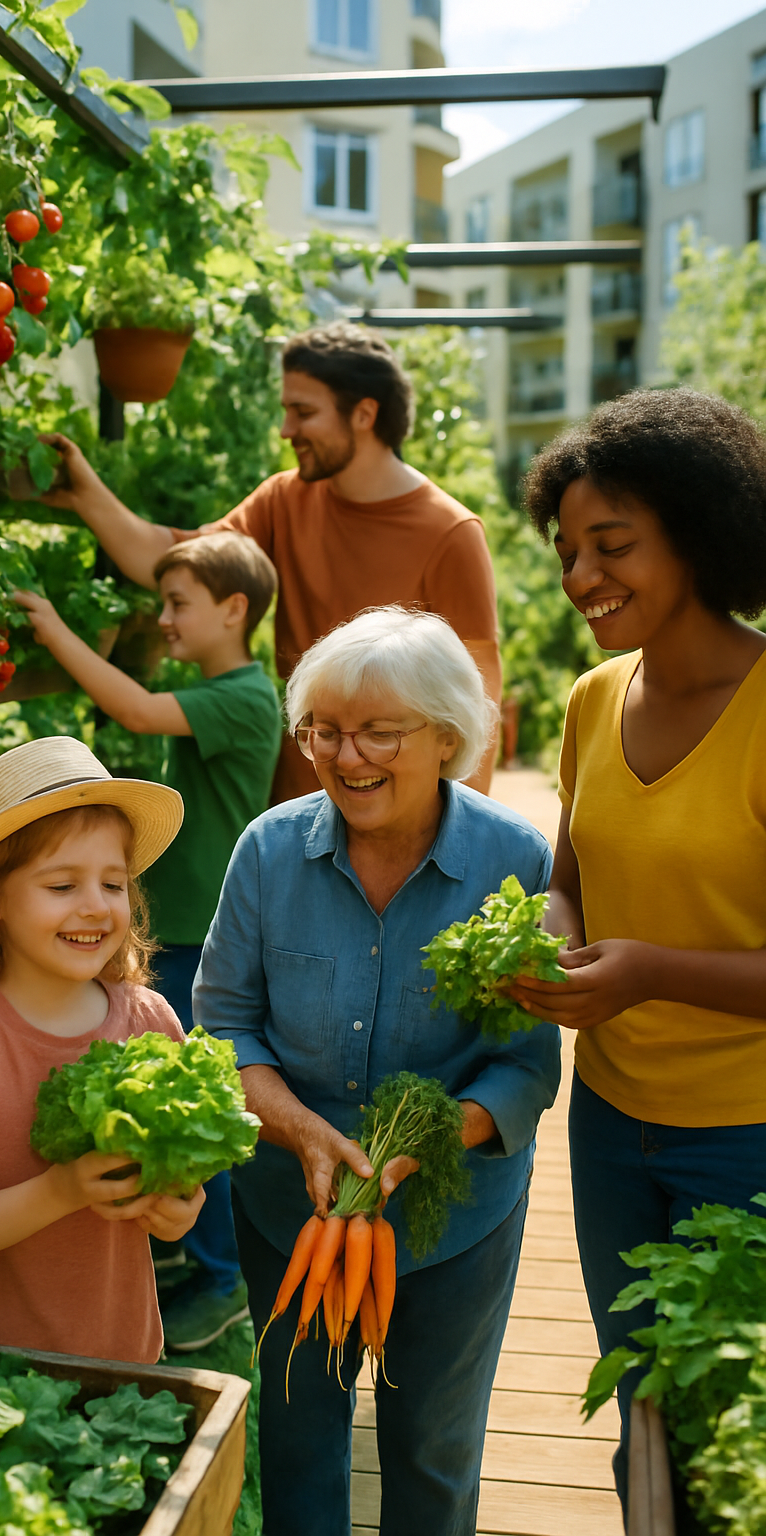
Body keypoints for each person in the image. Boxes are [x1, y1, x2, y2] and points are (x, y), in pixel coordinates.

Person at [193, 607, 561, 1536]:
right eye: (323, 728)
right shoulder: (268, 852)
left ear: (447, 738)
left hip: (454, 1224)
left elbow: (524, 1066)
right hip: (291, 1212)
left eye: (378, 731)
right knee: (299, 1443)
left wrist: (434, 1138)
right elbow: (226, 1025)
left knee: (433, 1457)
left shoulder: (512, 860)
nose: (344, 753)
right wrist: (301, 1130)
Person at [509, 388, 766, 1513]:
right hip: (611, 1126)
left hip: (747, 1140)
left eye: (610, 546)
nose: (578, 578)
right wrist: (556, 944)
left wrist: (649, 971)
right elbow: (568, 883)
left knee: (736, 1438)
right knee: (647, 1425)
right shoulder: (589, 698)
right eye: (566, 552)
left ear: (701, 534)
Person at [37, 321, 503, 803]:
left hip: (401, 804)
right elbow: (173, 560)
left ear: (364, 414)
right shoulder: (284, 499)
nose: (286, 431)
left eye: (303, 413)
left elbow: (478, 694)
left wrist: (465, 829)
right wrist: (86, 494)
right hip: (301, 800)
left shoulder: (451, 533)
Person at [13, 533, 282, 1350]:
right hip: (192, 927)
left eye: (179, 605)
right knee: (179, 1097)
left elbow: (131, 709)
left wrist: (54, 629)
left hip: (212, 934)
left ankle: (224, 1276)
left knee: (201, 1104)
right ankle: (192, 1247)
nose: (163, 619)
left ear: (234, 611)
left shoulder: (243, 696)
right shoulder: (211, 686)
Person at [0, 735, 206, 1362]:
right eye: (62, 886)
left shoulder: (147, 1019)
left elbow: (181, 1179)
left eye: (113, 884)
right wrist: (63, 1190)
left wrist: (179, 1207)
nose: (95, 906)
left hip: (123, 1355)